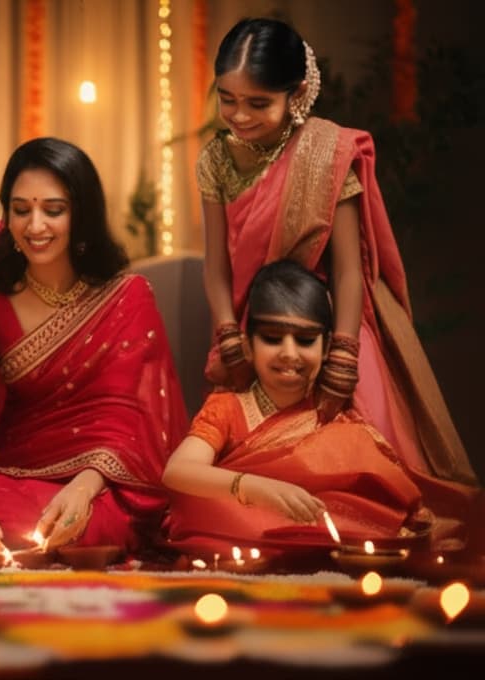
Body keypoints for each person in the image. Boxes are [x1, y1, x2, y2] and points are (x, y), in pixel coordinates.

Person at [196, 18, 478, 509]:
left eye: (258, 103)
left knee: (373, 482)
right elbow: (216, 263)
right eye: (227, 99)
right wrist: (227, 332)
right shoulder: (216, 160)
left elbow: (349, 269)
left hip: (327, 327)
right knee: (232, 487)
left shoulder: (326, 153)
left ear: (296, 92)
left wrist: (345, 356)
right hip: (254, 326)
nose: (238, 116)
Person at [0, 137, 188, 556]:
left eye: (53, 210)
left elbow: (132, 420)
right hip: (17, 473)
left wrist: (84, 487)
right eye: (21, 210)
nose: (34, 226)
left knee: (81, 524)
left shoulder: (126, 297)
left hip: (107, 483)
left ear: (82, 214)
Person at [162, 259, 455, 555]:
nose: (290, 354)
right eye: (273, 338)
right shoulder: (228, 408)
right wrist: (256, 488)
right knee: (195, 503)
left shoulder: (333, 422)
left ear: (326, 348)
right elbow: (177, 471)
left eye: (305, 340)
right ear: (248, 345)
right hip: (242, 535)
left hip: (320, 541)